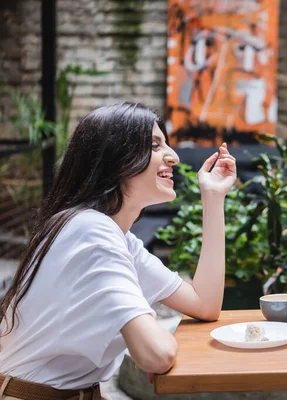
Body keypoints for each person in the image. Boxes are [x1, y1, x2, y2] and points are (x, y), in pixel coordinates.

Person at [0, 102, 236, 399]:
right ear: (116, 160)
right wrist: (152, 338)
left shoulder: (115, 237)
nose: (173, 156)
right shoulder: (90, 232)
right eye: (154, 145)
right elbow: (157, 354)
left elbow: (205, 305)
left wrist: (213, 198)